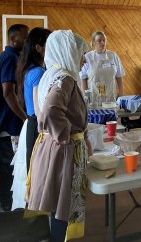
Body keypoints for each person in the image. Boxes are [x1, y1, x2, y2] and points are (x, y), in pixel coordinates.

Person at [26, 30, 92, 241]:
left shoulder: (51, 74)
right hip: (63, 150)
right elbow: (51, 110)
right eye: (81, 54)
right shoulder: (65, 79)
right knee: (62, 204)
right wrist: (66, 136)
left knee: (53, 199)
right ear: (68, 52)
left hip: (52, 146)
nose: (83, 61)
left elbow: (42, 110)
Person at [0, 24, 29, 211]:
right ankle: (6, 209)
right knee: (7, 168)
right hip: (8, 123)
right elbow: (8, 92)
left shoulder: (16, 57)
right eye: (24, 38)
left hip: (13, 122)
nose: (26, 42)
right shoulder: (9, 57)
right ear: (13, 39)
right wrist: (25, 117)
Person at [16, 27, 52, 172]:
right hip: (37, 124)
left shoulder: (31, 69)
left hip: (32, 122)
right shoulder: (38, 71)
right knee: (37, 171)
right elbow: (39, 108)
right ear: (39, 48)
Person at [80, 30, 125, 103]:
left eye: (104, 40)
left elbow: (119, 76)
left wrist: (121, 93)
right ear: (93, 43)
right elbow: (83, 79)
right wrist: (85, 97)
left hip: (111, 98)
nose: (103, 43)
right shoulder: (87, 57)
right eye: (99, 41)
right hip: (93, 99)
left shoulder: (113, 56)